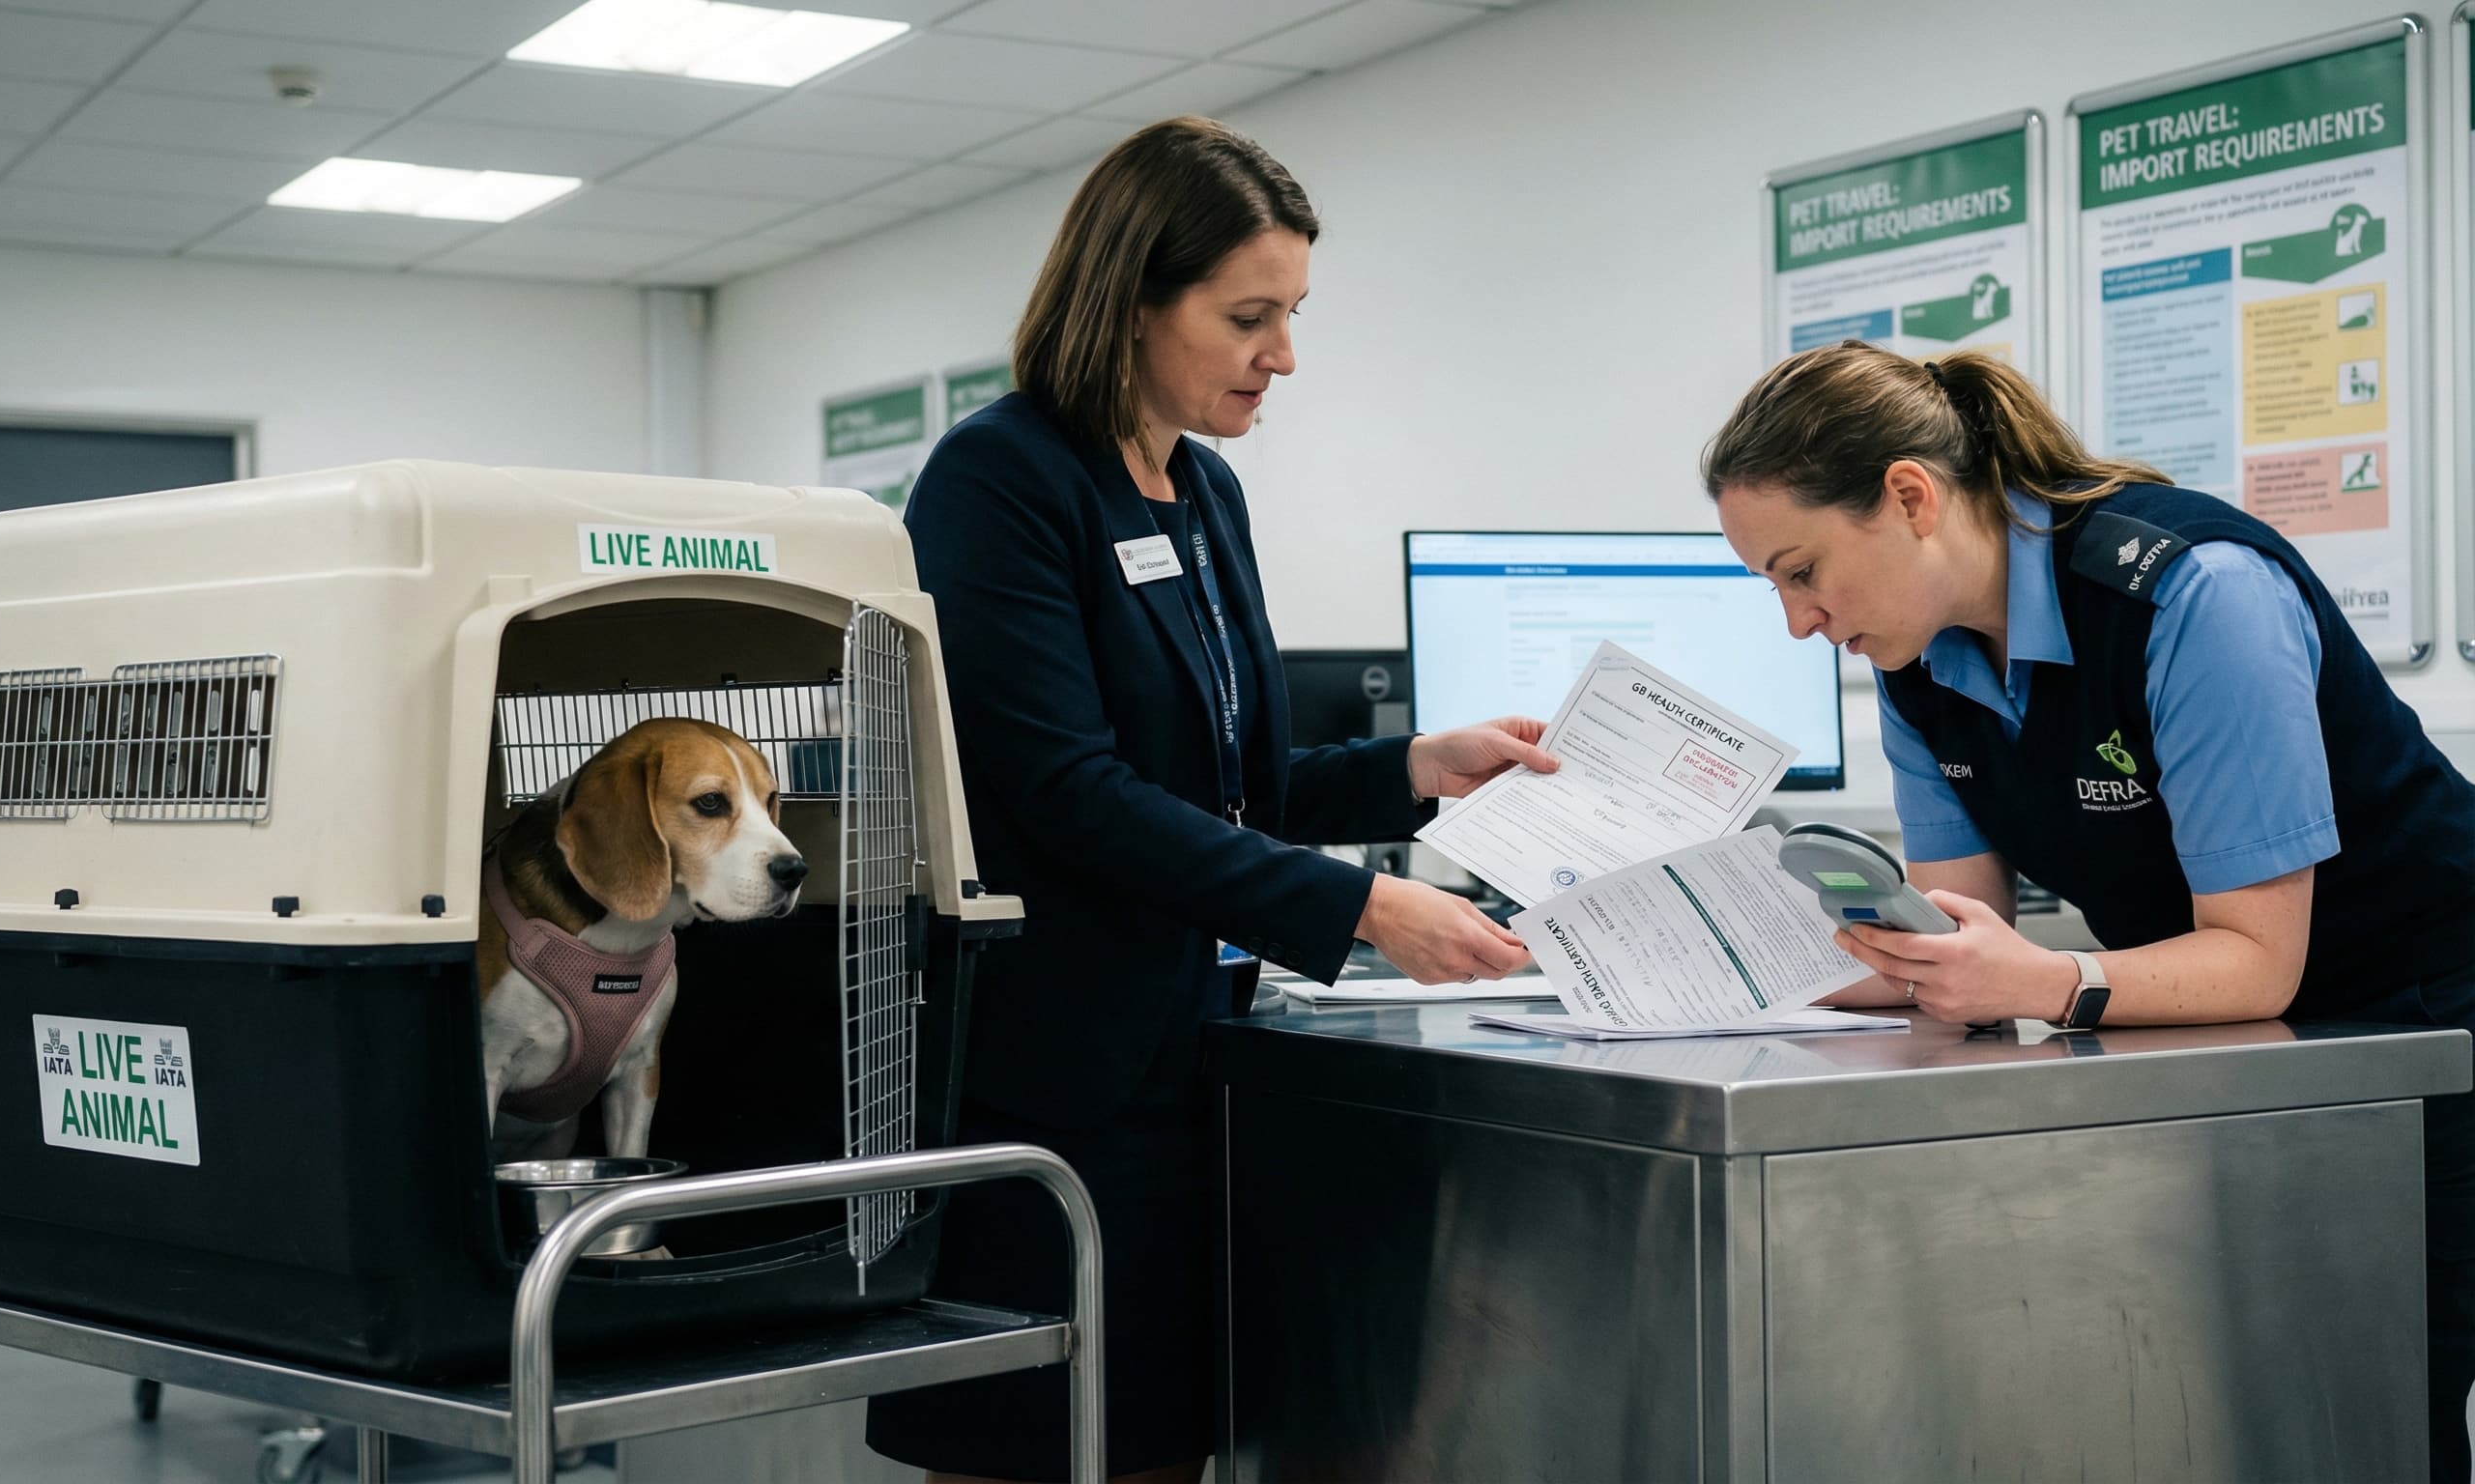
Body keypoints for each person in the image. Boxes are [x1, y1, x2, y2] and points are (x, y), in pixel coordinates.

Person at [864, 117, 1554, 1484]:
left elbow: (1233, 784)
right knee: (1041, 1445)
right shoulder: (1002, 480)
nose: (1282, 355)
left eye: (1291, 315)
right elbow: (1069, 792)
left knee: (1168, 1442)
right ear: (1132, 300)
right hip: (1058, 1076)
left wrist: (1417, 770)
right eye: (1249, 318)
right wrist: (1359, 907)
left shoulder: (1203, 489)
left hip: (1199, 1055)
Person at [1703, 339, 2475, 1481]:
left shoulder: (2193, 593)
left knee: (2375, 1403)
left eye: (1801, 569)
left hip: (2425, 1023)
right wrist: (1726, 960)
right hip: (2246, 1050)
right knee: (2252, 1399)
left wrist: (2045, 982)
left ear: (1908, 498)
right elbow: (1948, 937)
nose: (1797, 622)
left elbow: (2254, 960)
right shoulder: (1918, 663)